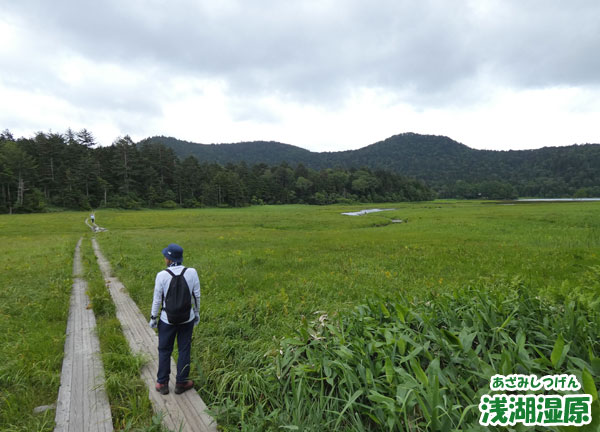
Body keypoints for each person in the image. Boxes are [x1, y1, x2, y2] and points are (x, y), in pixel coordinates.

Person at [149, 243, 201, 395]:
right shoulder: (192, 272)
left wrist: (153, 317)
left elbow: (157, 300)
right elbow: (196, 296)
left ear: (169, 259)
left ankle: (162, 383)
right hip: (187, 318)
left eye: (166, 256)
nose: (164, 258)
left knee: (165, 350)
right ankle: (181, 382)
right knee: (184, 348)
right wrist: (196, 314)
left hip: (167, 320)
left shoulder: (162, 275)